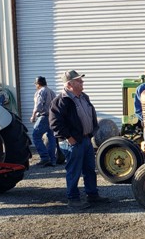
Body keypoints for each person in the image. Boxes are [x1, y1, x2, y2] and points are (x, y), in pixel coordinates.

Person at [49, 70, 108, 210]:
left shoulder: (84, 97)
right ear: (70, 84)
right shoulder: (60, 101)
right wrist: (69, 138)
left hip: (86, 139)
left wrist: (91, 133)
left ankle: (92, 195)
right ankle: (73, 199)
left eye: (81, 80)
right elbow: (54, 124)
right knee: (74, 171)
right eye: (79, 81)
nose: (82, 83)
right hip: (73, 142)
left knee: (89, 170)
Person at [30, 76, 57, 167]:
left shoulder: (41, 91)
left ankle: (45, 158)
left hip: (44, 117)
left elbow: (38, 105)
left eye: (36, 84)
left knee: (36, 136)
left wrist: (33, 116)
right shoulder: (51, 91)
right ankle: (52, 160)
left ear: (38, 84)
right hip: (52, 117)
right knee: (51, 137)